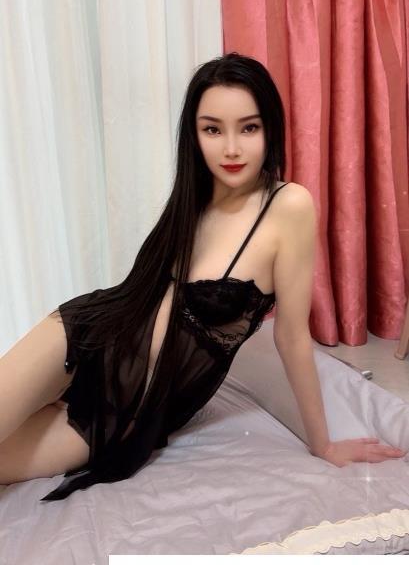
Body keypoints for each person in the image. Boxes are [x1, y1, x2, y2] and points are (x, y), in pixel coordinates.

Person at [0, 52, 405, 502]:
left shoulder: (288, 206)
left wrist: (322, 444)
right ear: (194, 135)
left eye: (248, 128)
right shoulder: (194, 198)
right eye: (213, 129)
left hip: (127, 411)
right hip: (83, 338)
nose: (231, 148)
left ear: (270, 129)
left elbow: (291, 336)